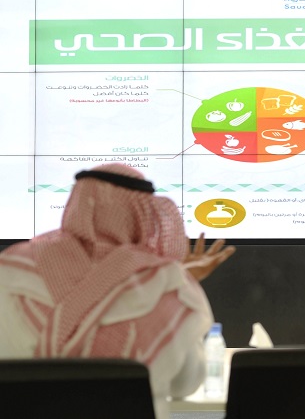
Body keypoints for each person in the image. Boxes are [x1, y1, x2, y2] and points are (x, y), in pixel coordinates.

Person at [0, 163, 235, 419]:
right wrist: (180, 288)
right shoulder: (166, 282)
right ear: (140, 213)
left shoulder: (11, 268)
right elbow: (186, 383)